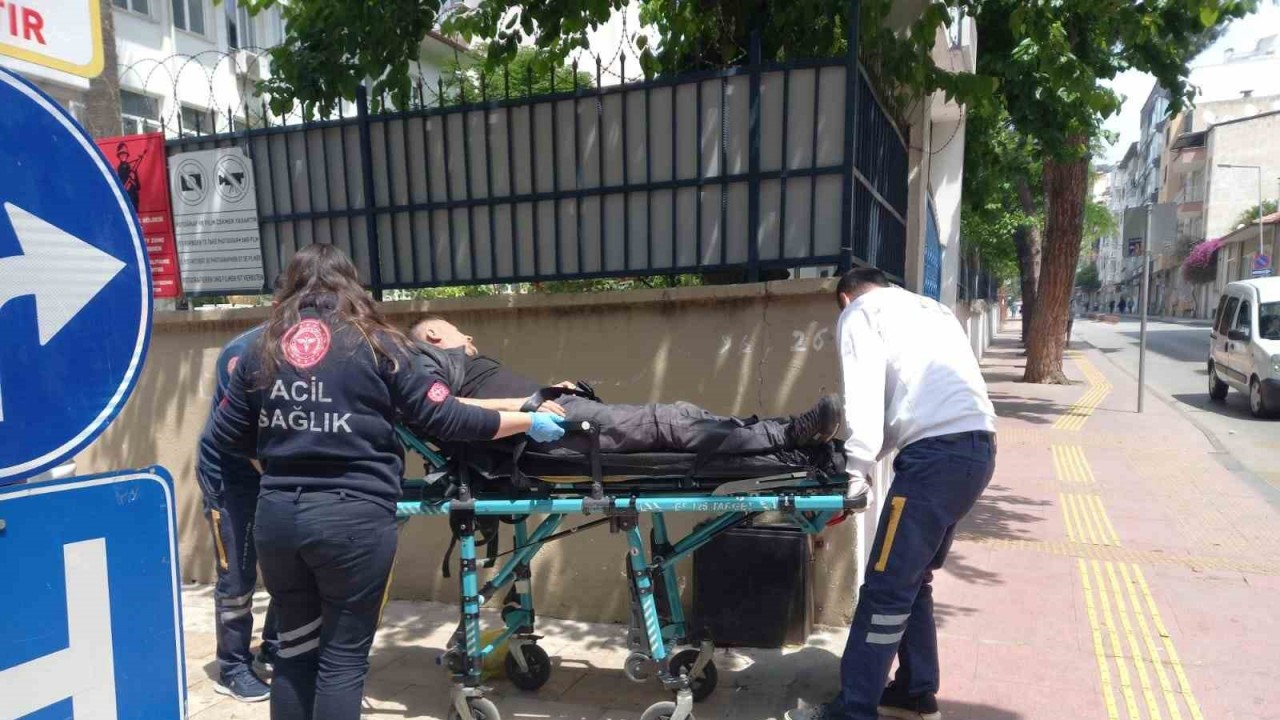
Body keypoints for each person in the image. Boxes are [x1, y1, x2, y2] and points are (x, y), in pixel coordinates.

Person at [202, 244, 567, 720]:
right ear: (350, 284)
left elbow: (225, 435)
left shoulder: (262, 348)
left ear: (290, 287)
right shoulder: (379, 344)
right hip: (354, 517)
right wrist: (527, 421)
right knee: (342, 659)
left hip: (280, 517)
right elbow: (445, 417)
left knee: (294, 652)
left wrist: (286, 446)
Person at [786, 268, 997, 720]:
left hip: (933, 460)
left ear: (845, 299)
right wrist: (868, 455)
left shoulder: (861, 311)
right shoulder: (933, 310)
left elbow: (863, 393)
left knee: (884, 587)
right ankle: (915, 691)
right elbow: (911, 404)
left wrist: (855, 469)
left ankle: (853, 709)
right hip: (977, 450)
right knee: (911, 579)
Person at [408, 315, 844, 456]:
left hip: (552, 412)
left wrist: (548, 390)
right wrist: (527, 404)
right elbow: (443, 409)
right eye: (459, 331)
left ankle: (778, 429)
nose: (469, 337)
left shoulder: (456, 363)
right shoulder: (427, 359)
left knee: (680, 413)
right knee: (666, 420)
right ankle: (787, 435)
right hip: (545, 430)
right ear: (432, 334)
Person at [196, 321, 278, 702]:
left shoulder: (318, 345)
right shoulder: (243, 354)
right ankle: (232, 667)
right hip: (231, 475)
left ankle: (276, 648)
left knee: (290, 563)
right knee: (237, 572)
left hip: (275, 468)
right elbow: (238, 436)